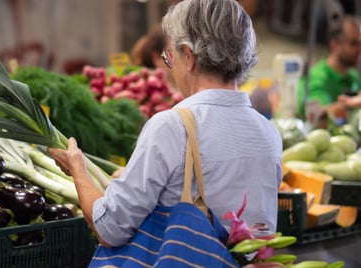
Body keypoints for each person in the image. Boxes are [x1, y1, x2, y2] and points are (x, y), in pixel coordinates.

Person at [48, 0, 283, 248]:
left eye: (171, 58)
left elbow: (110, 229)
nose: (171, 69)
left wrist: (78, 171)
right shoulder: (269, 132)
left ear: (189, 57)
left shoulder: (171, 126)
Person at [297, 15, 361, 122]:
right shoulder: (317, 77)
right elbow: (315, 115)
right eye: (353, 43)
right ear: (334, 45)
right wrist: (352, 104)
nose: (359, 50)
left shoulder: (353, 76)